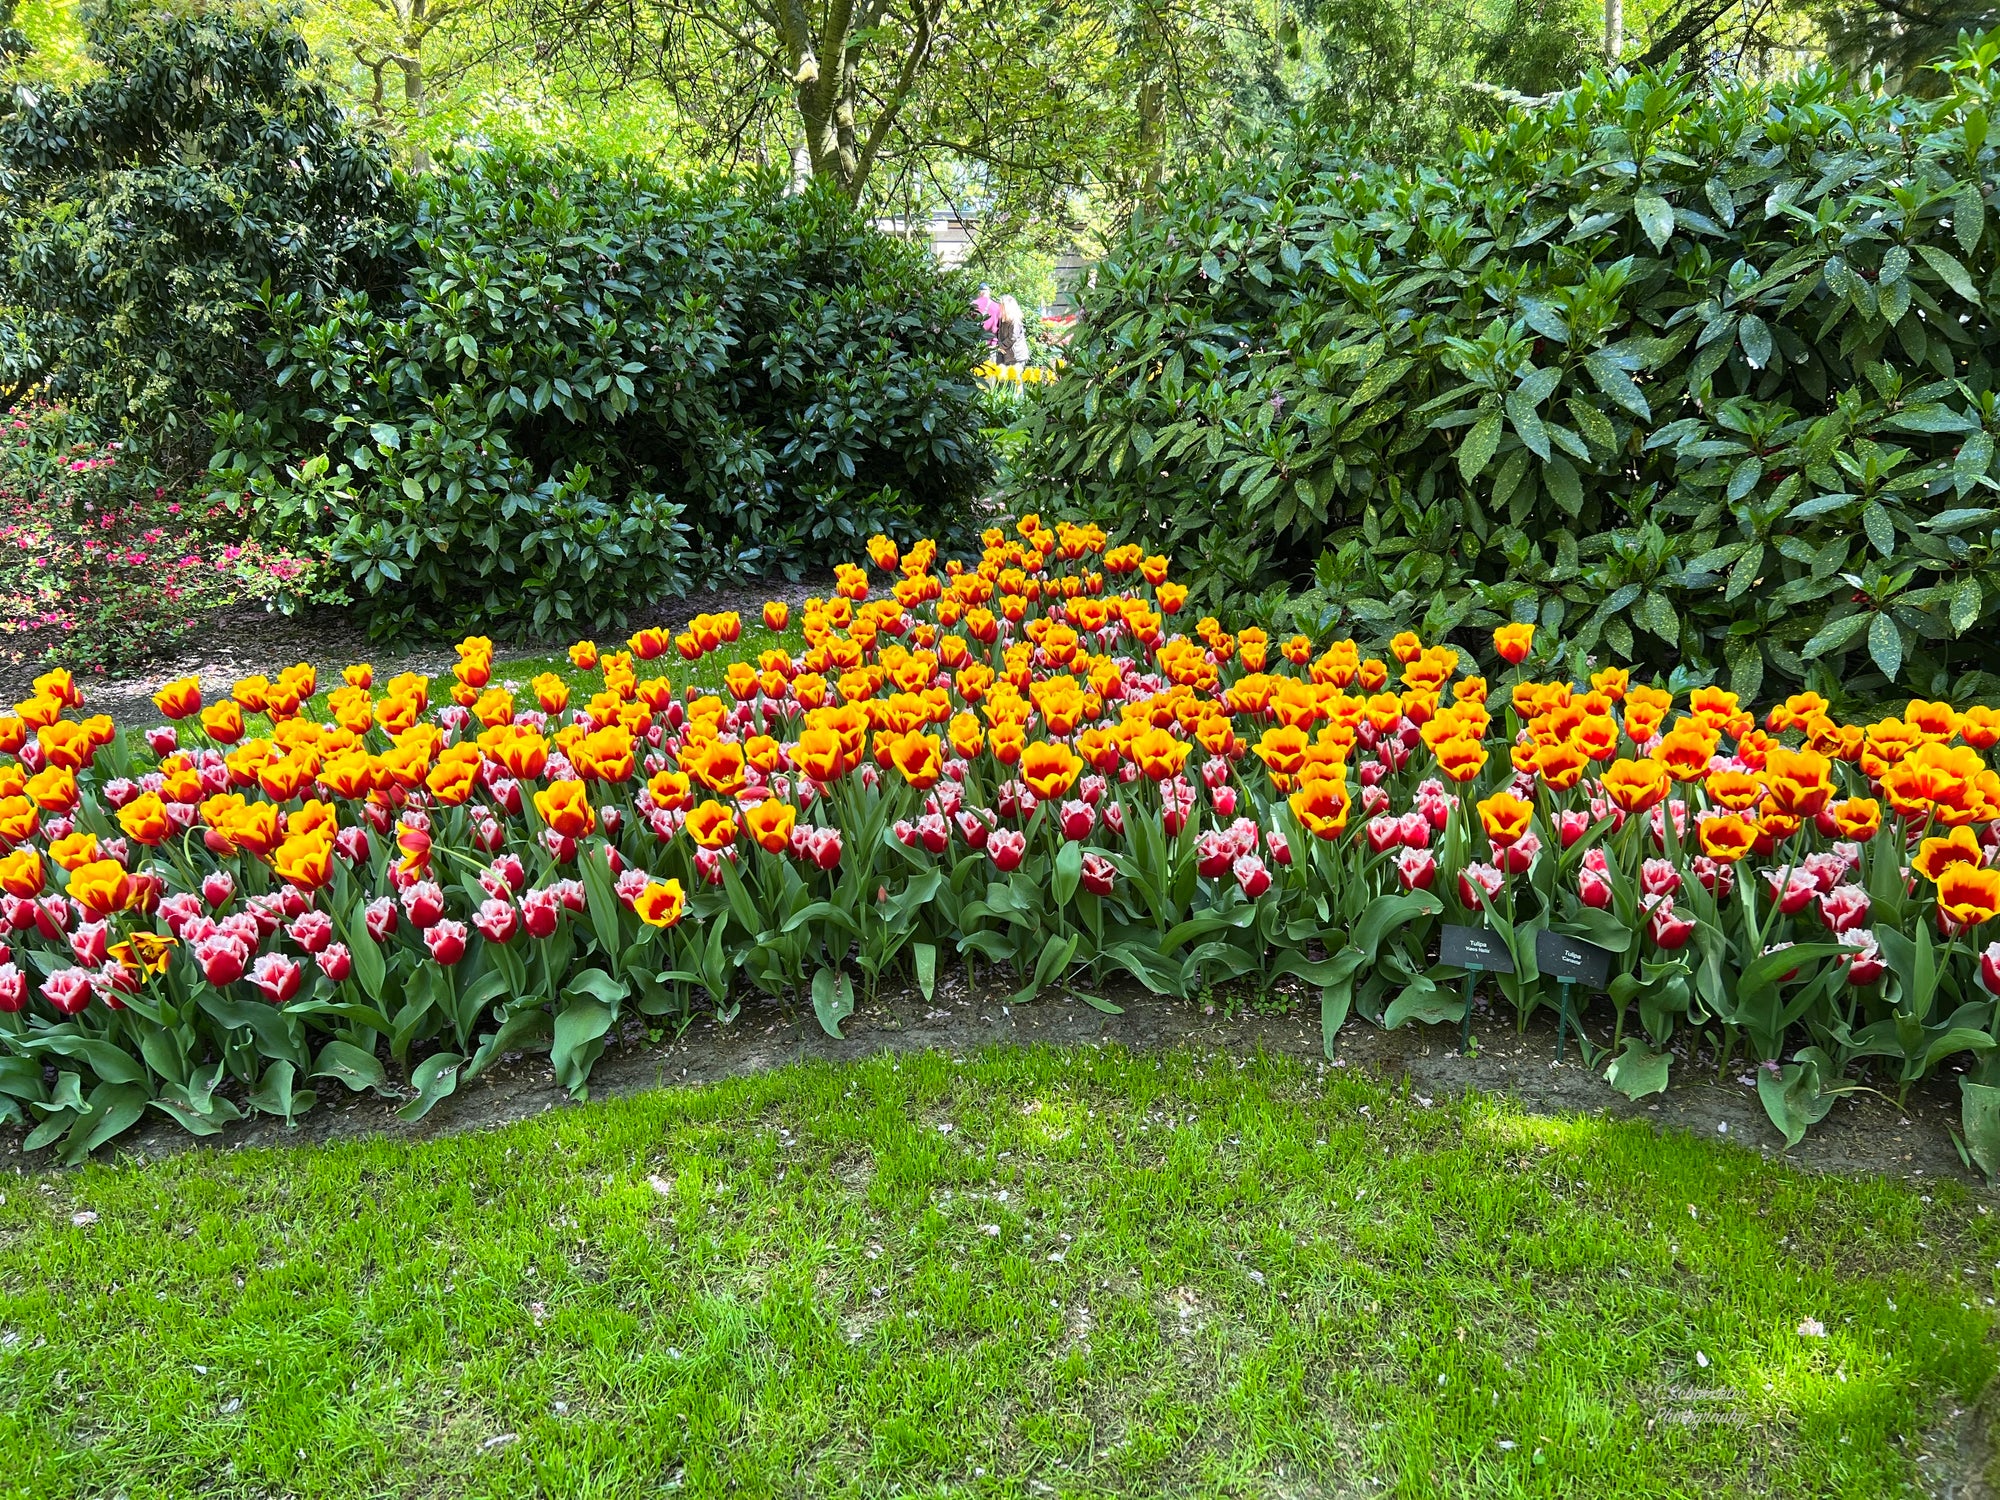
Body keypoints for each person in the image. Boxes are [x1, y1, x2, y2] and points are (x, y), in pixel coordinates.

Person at [996, 294, 1028, 367]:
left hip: (1017, 356)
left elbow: (1012, 338)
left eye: (1002, 306)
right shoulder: (1002, 319)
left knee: (1014, 377)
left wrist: (999, 346)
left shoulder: (1015, 321)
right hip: (1007, 356)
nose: (1000, 308)